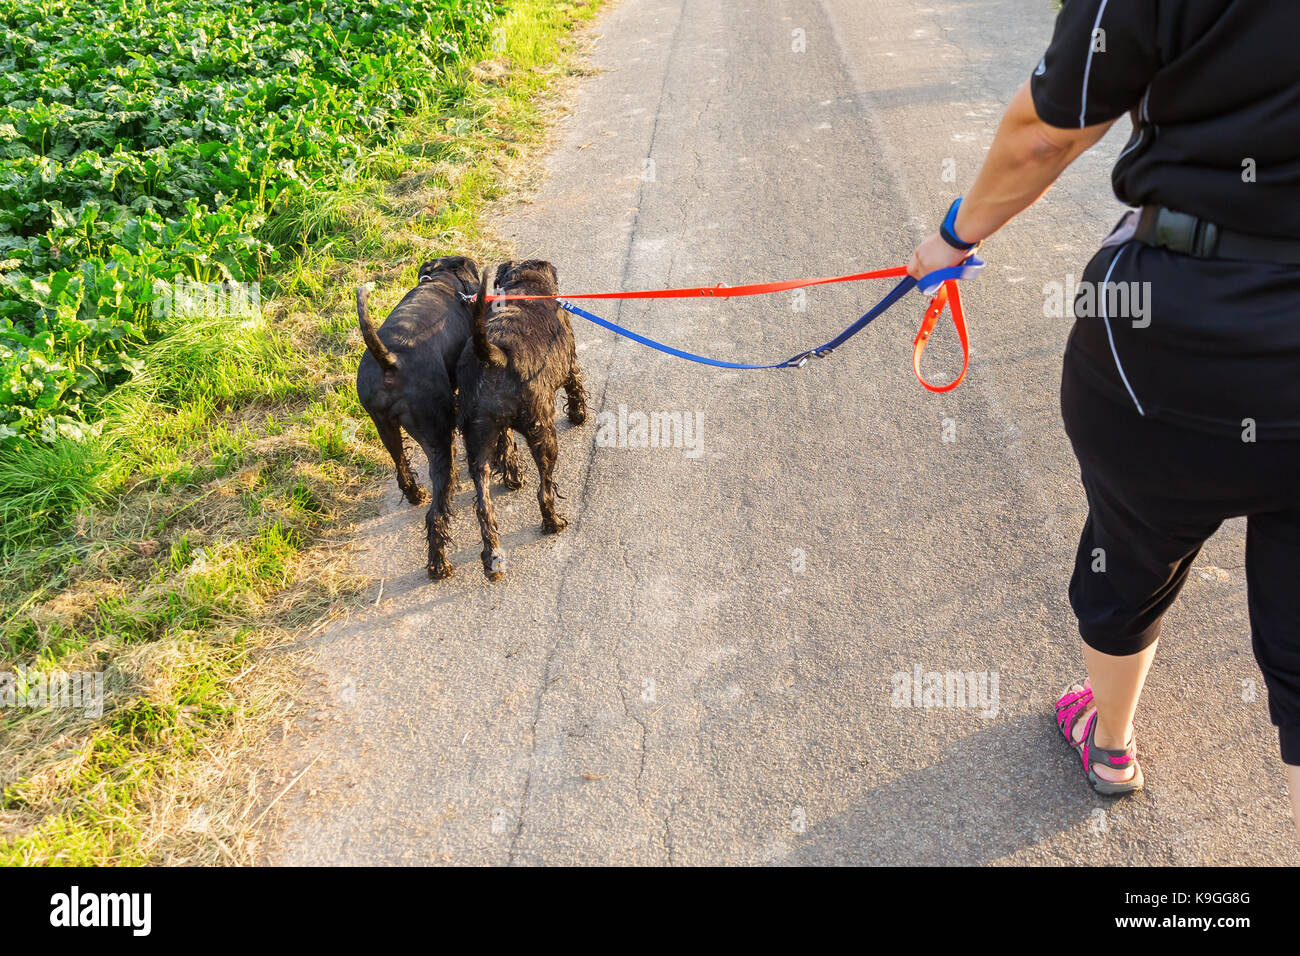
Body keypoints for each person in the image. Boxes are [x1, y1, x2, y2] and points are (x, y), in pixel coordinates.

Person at [907, 0, 1300, 833]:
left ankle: (1111, 743)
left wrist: (956, 235)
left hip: (1170, 337)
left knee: (1127, 552)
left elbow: (1048, 132)